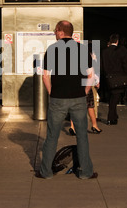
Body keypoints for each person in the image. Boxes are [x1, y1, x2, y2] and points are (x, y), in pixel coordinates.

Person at [36, 20, 97, 180]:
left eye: (56, 31)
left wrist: (51, 92)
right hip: (78, 98)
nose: (55, 34)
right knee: (82, 135)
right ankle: (86, 172)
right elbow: (91, 76)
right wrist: (84, 91)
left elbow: (45, 76)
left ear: (60, 31)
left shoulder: (52, 49)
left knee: (51, 136)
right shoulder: (83, 49)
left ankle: (46, 172)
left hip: (58, 99)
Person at [101, 34, 127, 125]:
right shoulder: (121, 51)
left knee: (112, 97)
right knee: (115, 98)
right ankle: (111, 117)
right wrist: (124, 73)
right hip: (118, 76)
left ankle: (114, 116)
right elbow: (126, 64)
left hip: (108, 77)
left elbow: (102, 65)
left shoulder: (104, 52)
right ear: (117, 41)